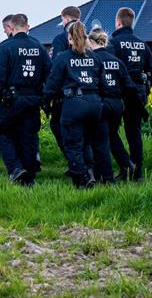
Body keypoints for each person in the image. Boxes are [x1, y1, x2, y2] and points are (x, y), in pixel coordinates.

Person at [44, 21, 113, 188]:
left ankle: (81, 179)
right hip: (94, 104)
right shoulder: (95, 58)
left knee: (73, 144)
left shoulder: (63, 58)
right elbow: (104, 84)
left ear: (69, 38)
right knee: (87, 142)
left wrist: (46, 102)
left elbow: (52, 85)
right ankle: (89, 172)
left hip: (74, 105)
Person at [0, 14, 51, 185]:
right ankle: (28, 177)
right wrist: (46, 98)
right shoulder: (39, 47)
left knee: (0, 129)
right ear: (27, 26)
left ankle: (15, 168)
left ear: (12, 28)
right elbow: (49, 74)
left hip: (12, 99)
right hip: (33, 98)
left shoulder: (6, 47)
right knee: (28, 136)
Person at [109, 7, 152, 181]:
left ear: (118, 22)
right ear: (132, 22)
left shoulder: (113, 43)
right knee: (134, 133)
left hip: (119, 94)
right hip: (137, 94)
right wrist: (145, 90)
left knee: (109, 131)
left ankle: (125, 166)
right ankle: (137, 172)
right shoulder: (142, 44)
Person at [89, 29, 135, 181]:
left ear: (91, 41)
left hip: (101, 103)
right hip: (117, 104)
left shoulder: (92, 59)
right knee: (113, 136)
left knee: (100, 140)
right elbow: (128, 84)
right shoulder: (117, 61)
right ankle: (127, 165)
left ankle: (106, 177)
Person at [48, 5, 81, 162]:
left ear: (65, 18)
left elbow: (55, 67)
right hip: (89, 91)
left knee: (58, 125)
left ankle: (74, 161)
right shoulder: (86, 36)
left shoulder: (60, 39)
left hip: (65, 94)